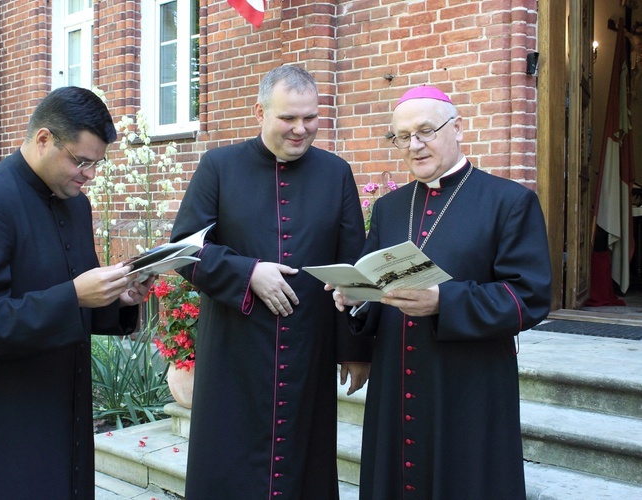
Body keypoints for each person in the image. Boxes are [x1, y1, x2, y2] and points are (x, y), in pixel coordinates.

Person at [0, 86, 152, 499]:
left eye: (96, 165)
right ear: (44, 138)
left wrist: (116, 298)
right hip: (1, 417)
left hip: (63, 407)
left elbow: (75, 292)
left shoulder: (75, 204)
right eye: (81, 161)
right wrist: (74, 295)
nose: (89, 175)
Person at [331, 85, 552, 499]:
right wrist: (357, 298)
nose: (413, 146)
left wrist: (444, 301)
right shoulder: (389, 208)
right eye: (402, 136)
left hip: (469, 386)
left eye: (426, 131)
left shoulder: (509, 202)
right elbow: (374, 284)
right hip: (396, 384)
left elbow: (529, 297)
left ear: (458, 128)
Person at [170, 65, 373, 499]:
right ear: (259, 111)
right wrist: (248, 272)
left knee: (304, 463)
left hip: (308, 350)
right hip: (234, 353)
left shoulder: (336, 173)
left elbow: (352, 265)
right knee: (230, 465)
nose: (301, 129)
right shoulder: (218, 167)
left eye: (310, 118)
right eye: (288, 118)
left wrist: (356, 350)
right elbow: (185, 252)